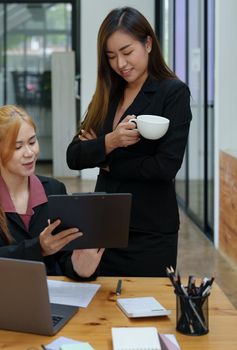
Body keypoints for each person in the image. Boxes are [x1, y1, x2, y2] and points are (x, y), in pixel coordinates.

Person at [66, 7, 192, 277]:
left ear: (148, 44)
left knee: (146, 311)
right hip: (103, 227)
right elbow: (74, 155)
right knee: (99, 311)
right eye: (111, 56)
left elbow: (165, 167)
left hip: (150, 231)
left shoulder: (172, 92)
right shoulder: (109, 93)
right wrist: (110, 142)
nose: (120, 64)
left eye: (126, 52)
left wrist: (106, 160)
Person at [0, 105, 103, 279]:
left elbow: (64, 259)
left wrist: (81, 267)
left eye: (32, 142)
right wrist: (38, 248)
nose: (29, 153)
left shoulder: (55, 190)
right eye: (18, 147)